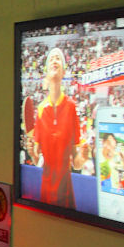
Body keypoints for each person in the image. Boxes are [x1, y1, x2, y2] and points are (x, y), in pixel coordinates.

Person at [31, 48, 85, 208]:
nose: (55, 61)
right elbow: (37, 160)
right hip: (46, 193)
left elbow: (76, 163)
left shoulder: (71, 106)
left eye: (58, 59)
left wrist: (84, 157)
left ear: (63, 72)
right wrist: (32, 154)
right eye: (51, 59)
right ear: (47, 73)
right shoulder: (40, 109)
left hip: (66, 193)